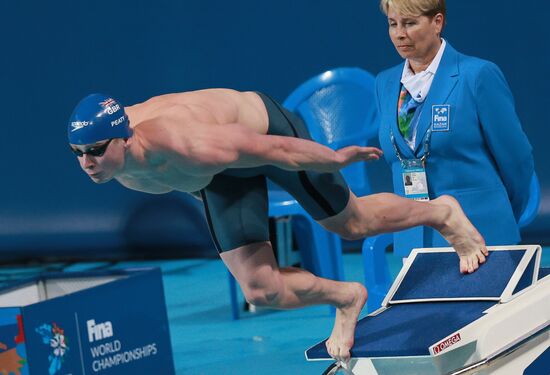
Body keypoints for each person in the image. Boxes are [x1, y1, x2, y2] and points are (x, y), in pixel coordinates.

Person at [67, 90, 487, 362]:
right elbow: (182, 180)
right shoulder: (116, 165)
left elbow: (277, 149)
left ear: (124, 139)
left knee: (353, 224)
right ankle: (346, 297)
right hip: (216, 175)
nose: (86, 164)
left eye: (96, 151)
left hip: (263, 133)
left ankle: (443, 212)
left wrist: (334, 159)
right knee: (261, 289)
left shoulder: (188, 142)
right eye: (78, 153)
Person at [375, 0, 534, 258]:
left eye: (410, 23)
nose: (399, 33)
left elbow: (518, 161)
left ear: (437, 22)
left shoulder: (478, 75)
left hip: (482, 235)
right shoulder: (384, 83)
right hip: (415, 241)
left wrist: (499, 216)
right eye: (393, 24)